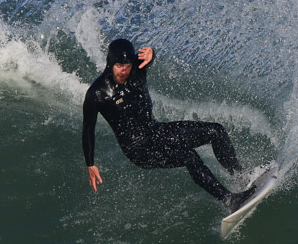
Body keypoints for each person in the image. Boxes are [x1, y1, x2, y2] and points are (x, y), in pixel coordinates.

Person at [81, 38, 256, 211]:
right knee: (189, 156)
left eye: (127, 66)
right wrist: (90, 164)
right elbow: (88, 129)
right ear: (110, 63)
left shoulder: (137, 69)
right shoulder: (97, 93)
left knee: (216, 131)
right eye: (119, 66)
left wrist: (152, 53)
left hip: (156, 130)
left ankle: (240, 176)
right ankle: (229, 200)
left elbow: (148, 56)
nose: (124, 71)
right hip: (138, 148)